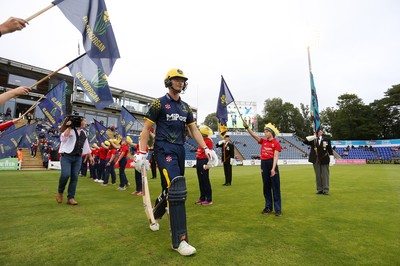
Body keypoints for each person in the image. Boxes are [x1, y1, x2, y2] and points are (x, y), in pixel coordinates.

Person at [135, 68, 218, 256]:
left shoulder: (185, 107)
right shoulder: (159, 103)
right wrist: (142, 152)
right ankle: (180, 241)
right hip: (164, 149)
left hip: (180, 150)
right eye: (176, 79)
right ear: (168, 82)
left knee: (169, 189)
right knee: (177, 188)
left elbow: (193, 130)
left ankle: (154, 214)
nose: (180, 82)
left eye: (182, 80)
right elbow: (147, 128)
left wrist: (206, 148)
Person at [244, 121, 283, 216]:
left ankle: (278, 209)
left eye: (266, 132)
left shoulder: (276, 143)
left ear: (271, 133)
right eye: (264, 132)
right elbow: (253, 135)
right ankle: (268, 207)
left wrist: (273, 169)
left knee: (275, 187)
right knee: (266, 186)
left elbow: (275, 157)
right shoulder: (263, 141)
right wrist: (247, 128)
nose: (265, 133)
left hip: (272, 164)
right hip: (264, 164)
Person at [56, 116, 94, 205]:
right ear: (79, 122)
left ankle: (70, 198)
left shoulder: (84, 133)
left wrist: (90, 156)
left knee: (74, 177)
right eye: (84, 121)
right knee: (65, 175)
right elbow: (63, 138)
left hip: (78, 157)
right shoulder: (71, 131)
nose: (85, 122)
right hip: (66, 156)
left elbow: (86, 145)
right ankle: (60, 192)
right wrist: (69, 127)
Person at [303, 127, 334, 195]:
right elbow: (304, 141)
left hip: (324, 158)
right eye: (317, 132)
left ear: (322, 132)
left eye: (319, 131)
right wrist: (313, 137)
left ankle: (325, 189)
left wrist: (331, 158)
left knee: (325, 174)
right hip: (315, 159)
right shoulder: (313, 140)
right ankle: (319, 189)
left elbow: (329, 149)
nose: (318, 133)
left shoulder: (326, 139)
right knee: (318, 175)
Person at [195, 125, 215, 206]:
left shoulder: (208, 141)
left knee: (205, 180)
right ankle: (202, 197)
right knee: (200, 180)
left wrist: (208, 164)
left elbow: (210, 153)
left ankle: (209, 199)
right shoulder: (201, 140)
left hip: (204, 161)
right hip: (199, 160)